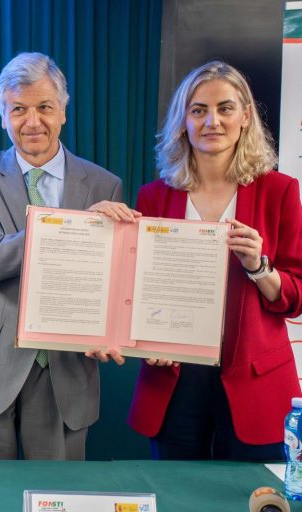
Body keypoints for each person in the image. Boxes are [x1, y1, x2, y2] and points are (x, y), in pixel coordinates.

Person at [0, 52, 135, 460]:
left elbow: (111, 282)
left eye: (45, 107)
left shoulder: (105, 185)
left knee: (57, 490)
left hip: (67, 369)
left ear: (63, 111)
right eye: (18, 109)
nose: (33, 122)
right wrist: (69, 226)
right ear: (3, 117)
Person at [127, 60, 302, 460]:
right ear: (182, 122)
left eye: (225, 108)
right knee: (174, 489)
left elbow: (297, 296)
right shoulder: (154, 196)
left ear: (245, 116)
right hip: (173, 375)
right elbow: (137, 290)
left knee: (250, 490)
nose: (212, 121)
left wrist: (259, 267)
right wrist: (147, 338)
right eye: (198, 110)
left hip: (255, 379)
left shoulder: (279, 191)